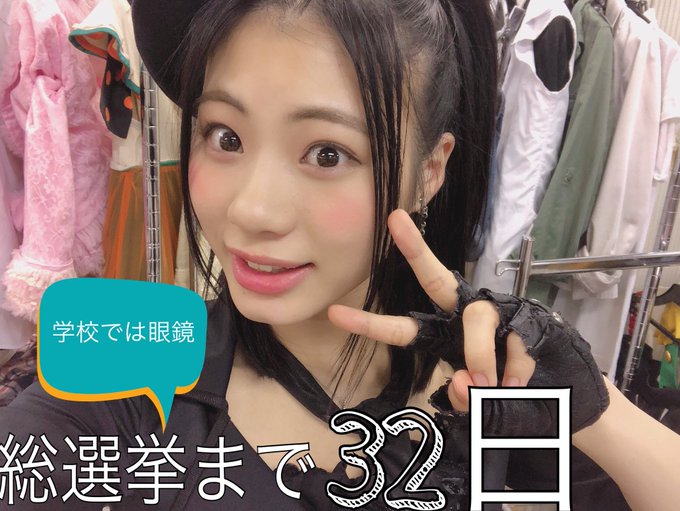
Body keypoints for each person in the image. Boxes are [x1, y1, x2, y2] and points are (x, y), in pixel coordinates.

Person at [1, 0, 679, 509]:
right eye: (225, 137)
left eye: (327, 153)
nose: (251, 211)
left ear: (430, 169)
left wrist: (600, 413)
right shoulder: (129, 376)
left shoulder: (496, 395)